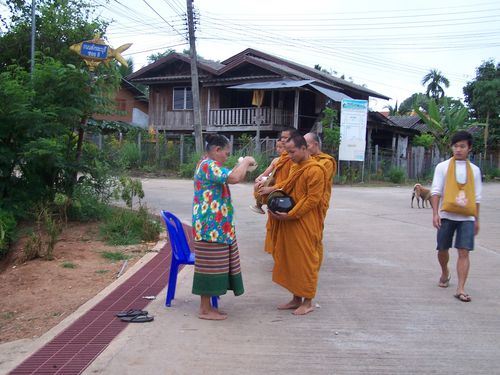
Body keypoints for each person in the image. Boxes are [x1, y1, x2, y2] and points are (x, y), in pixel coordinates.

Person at [192, 134, 256, 320]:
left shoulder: (210, 165)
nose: (227, 157)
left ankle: (210, 307)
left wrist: (241, 165)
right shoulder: (208, 165)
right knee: (210, 267)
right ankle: (205, 309)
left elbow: (232, 175)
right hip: (210, 227)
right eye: (226, 153)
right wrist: (247, 161)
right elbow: (235, 177)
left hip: (217, 227)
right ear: (217, 150)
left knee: (217, 266)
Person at [261, 134, 327, 315]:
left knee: (306, 261)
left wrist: (290, 215)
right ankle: (296, 298)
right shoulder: (296, 167)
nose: (289, 156)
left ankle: (308, 301)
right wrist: (272, 198)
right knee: (293, 260)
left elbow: (312, 200)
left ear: (304, 148)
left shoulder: (316, 170)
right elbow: (287, 186)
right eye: (287, 152)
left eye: (292, 152)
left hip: (305, 221)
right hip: (291, 221)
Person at [430, 131, 482, 303]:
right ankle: (445, 271)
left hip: (467, 218)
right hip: (446, 215)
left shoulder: (474, 171)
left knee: (464, 251)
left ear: (469, 148)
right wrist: (435, 213)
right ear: (452, 147)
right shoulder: (442, 167)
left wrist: (477, 219)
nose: (458, 149)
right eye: (456, 146)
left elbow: (477, 197)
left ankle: (461, 288)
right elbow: (436, 191)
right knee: (442, 248)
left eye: (462, 146)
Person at [255, 128, 299, 254]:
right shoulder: (279, 159)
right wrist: (264, 181)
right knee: (273, 226)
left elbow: (291, 180)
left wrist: (271, 187)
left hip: (288, 197)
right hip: (277, 195)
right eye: (282, 138)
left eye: (286, 138)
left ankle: (285, 255)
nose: (283, 140)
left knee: (286, 231)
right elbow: (276, 176)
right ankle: (277, 255)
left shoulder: (294, 159)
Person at [304, 132, 337, 265]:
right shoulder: (304, 160)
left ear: (315, 144)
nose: (305, 148)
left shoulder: (326, 162)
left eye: (307, 145)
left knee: (314, 235)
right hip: (302, 202)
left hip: (317, 204)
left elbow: (316, 179)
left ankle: (314, 265)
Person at [249, 139, 285, 214]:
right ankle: (259, 205)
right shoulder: (275, 160)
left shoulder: (290, 160)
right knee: (258, 185)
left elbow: (286, 178)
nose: (278, 149)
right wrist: (259, 177)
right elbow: (266, 172)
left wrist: (268, 181)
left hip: (280, 184)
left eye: (281, 147)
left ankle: (269, 205)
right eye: (277, 147)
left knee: (264, 185)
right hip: (273, 180)